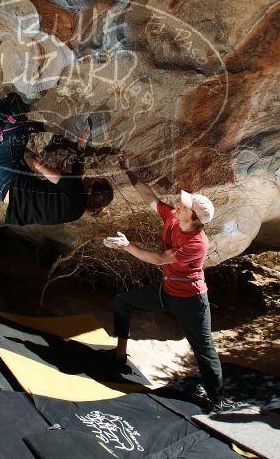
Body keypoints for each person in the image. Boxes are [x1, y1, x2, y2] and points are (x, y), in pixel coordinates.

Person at [103, 152, 240, 413]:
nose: (180, 203)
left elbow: (159, 259)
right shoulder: (173, 218)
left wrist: (126, 246)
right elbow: (149, 197)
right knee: (123, 302)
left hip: (191, 301)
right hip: (167, 291)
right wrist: (127, 167)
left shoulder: (197, 243)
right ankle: (119, 356)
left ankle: (218, 398)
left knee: (204, 348)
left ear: (195, 218)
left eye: (185, 205)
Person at [0, 92, 113, 225]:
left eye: (94, 178)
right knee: (24, 172)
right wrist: (80, 146)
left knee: (14, 108)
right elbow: (74, 180)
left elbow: (37, 164)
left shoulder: (76, 187)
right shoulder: (76, 212)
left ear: (92, 185)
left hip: (3, 177)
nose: (89, 176)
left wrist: (19, 147)